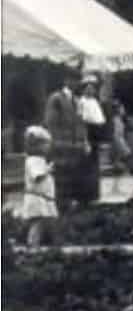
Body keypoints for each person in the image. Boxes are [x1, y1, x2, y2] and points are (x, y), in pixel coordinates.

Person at [43, 74, 84, 212]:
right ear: (66, 80)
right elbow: (51, 122)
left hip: (73, 146)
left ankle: (67, 207)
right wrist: (57, 141)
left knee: (70, 178)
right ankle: (59, 209)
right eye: (74, 80)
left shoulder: (76, 100)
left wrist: (81, 141)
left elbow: (79, 123)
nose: (77, 83)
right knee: (60, 178)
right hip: (60, 145)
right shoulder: (56, 99)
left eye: (78, 81)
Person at [19, 125, 57, 248]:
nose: (48, 147)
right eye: (46, 144)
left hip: (42, 198)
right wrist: (48, 170)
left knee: (42, 222)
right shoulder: (33, 160)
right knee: (37, 222)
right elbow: (38, 176)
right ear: (37, 145)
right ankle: (32, 243)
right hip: (37, 198)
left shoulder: (39, 159)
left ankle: (41, 242)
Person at [76, 76, 106, 205]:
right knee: (86, 164)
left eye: (92, 88)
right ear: (83, 90)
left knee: (94, 164)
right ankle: (85, 195)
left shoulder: (95, 102)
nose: (90, 91)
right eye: (88, 88)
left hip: (96, 132)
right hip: (87, 132)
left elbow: (100, 119)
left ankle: (94, 194)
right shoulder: (81, 102)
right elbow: (81, 119)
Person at [107, 99, 132, 194]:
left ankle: (116, 187)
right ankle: (116, 187)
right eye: (122, 109)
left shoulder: (119, 120)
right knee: (120, 163)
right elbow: (115, 134)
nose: (123, 110)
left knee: (118, 166)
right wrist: (122, 146)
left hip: (119, 141)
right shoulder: (115, 120)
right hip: (117, 142)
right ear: (117, 110)